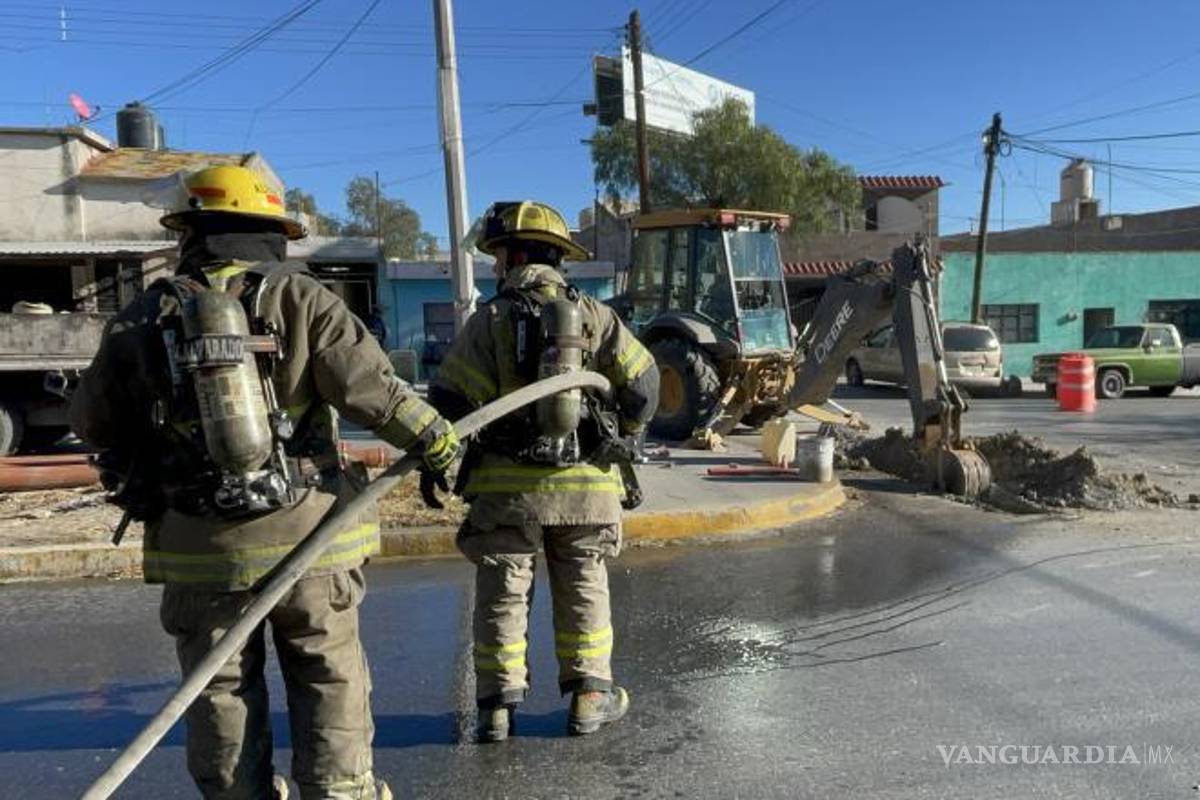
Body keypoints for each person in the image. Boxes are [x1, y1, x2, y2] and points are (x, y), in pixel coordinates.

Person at [69, 165, 460, 800]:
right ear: (270, 233)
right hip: (309, 538)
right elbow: (374, 393)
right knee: (326, 671)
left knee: (219, 688)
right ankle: (340, 792)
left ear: (190, 233)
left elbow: (93, 422)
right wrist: (440, 444)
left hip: (200, 548)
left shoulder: (143, 314)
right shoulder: (302, 299)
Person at [427, 200, 659, 742]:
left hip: (505, 493)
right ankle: (589, 699)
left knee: (503, 592)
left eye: (498, 257)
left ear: (513, 258)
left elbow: (448, 403)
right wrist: (622, 433)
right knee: (583, 584)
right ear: (557, 259)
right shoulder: (596, 316)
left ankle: (496, 709)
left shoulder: (488, 321)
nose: (494, 267)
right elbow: (645, 388)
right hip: (587, 490)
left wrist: (438, 463)